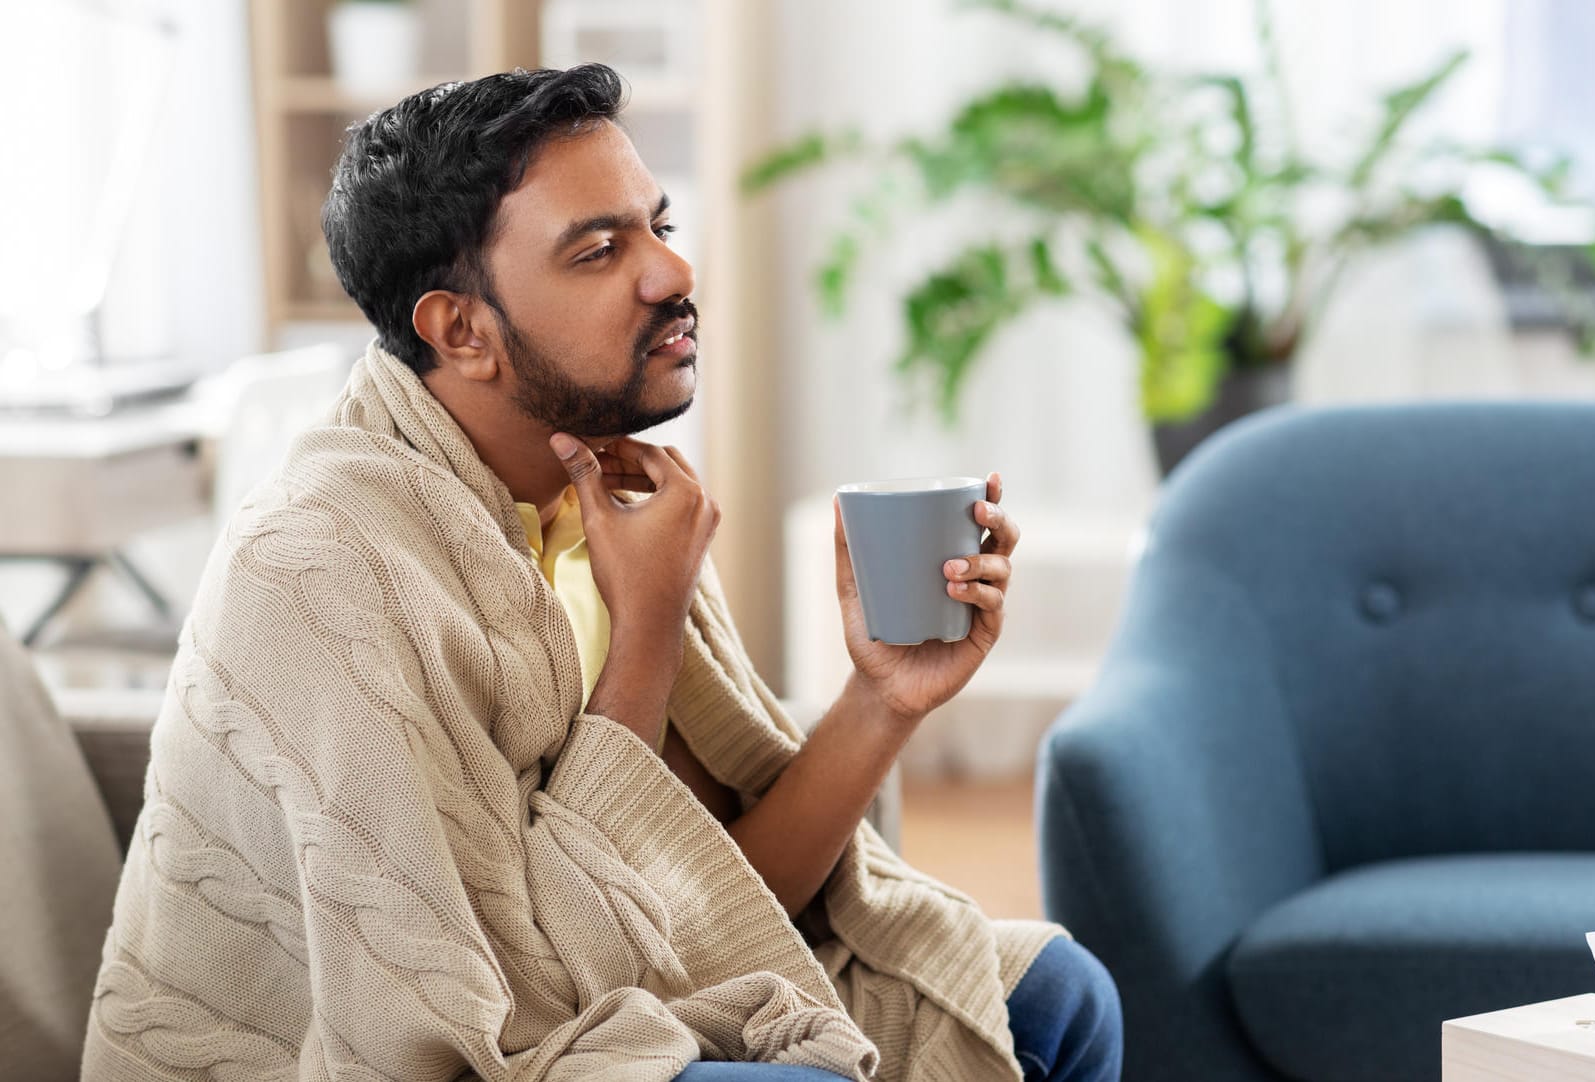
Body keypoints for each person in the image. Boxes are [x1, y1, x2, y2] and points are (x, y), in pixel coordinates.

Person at [81, 65, 1121, 1082]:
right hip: (456, 1048)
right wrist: (648, 632)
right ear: (461, 329)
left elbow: (711, 902)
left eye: (659, 227)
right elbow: (503, 1003)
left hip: (609, 1003)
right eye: (598, 250)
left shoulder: (597, 505)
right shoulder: (326, 569)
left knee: (1058, 996)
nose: (672, 273)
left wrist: (883, 694)